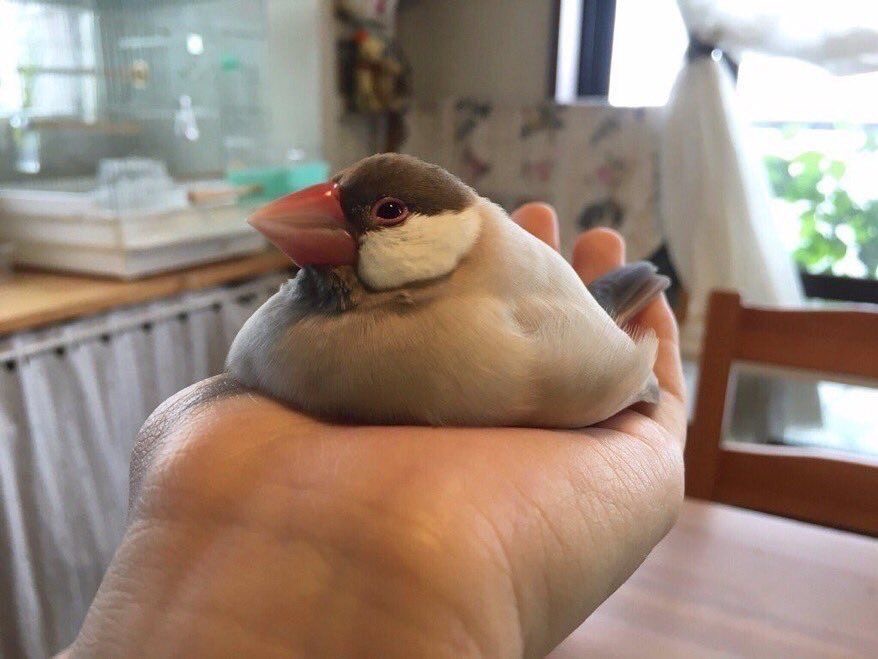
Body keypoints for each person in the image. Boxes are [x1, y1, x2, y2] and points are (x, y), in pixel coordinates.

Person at [62, 203, 686, 658]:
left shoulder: (509, 331)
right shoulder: (285, 320)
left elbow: (621, 370)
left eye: (386, 213)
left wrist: (628, 384)